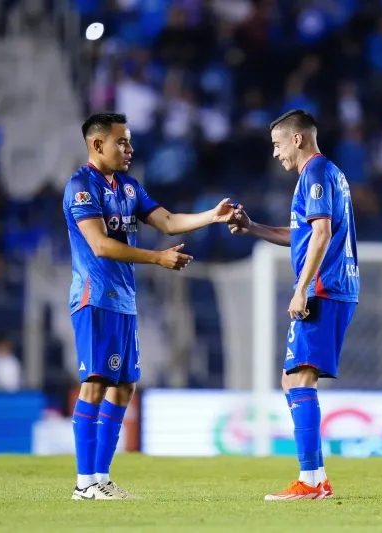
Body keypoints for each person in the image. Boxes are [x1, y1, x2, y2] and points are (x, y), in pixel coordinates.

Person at [64, 112, 237, 500]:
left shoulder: (128, 186)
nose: (130, 148)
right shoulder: (81, 185)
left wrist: (213, 216)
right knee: (95, 384)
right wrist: (157, 258)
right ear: (97, 145)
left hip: (123, 301)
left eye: (129, 141)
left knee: (124, 388)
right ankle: (83, 483)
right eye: (121, 142)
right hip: (95, 297)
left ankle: (101, 478)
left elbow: (170, 221)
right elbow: (100, 246)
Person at [228, 109, 360, 500]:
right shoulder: (329, 174)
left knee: (298, 377)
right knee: (294, 377)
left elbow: (321, 234)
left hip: (323, 287)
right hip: (336, 286)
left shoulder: (315, 174)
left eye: (277, 144)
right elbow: (304, 234)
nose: (275, 154)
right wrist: (253, 228)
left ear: (297, 139)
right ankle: (316, 478)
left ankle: (311, 481)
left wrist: (301, 287)